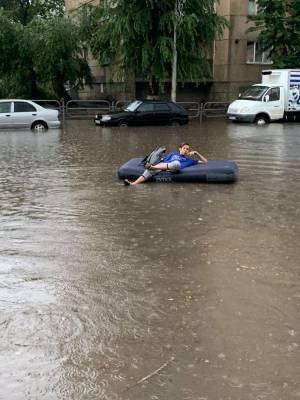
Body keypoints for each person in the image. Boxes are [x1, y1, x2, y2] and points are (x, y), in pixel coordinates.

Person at [124, 142, 207, 185]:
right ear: (180, 148)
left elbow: (205, 161)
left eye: (187, 149)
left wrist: (196, 152)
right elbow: (163, 160)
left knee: (177, 163)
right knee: (149, 171)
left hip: (174, 169)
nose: (186, 150)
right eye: (184, 148)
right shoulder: (173, 153)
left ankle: (153, 167)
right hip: (162, 167)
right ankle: (133, 184)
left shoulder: (189, 160)